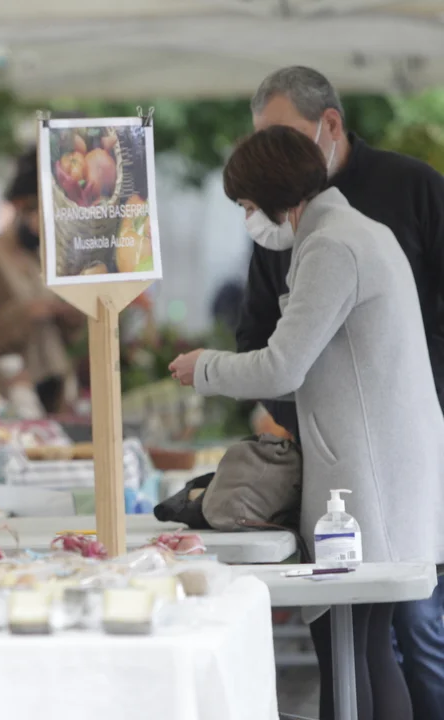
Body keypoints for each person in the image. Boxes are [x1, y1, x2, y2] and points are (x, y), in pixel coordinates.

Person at [170, 126, 444, 720]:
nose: (248, 219)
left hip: (370, 478)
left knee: (356, 648)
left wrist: (205, 367)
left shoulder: (331, 247)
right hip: (384, 471)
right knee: (367, 644)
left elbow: (282, 366)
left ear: (275, 196)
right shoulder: (355, 232)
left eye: (247, 205)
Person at [0, 146, 84, 413]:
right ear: (21, 207)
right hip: (9, 386)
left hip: (55, 386)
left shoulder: (41, 260)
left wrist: (69, 314)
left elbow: (69, 336)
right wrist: (25, 313)